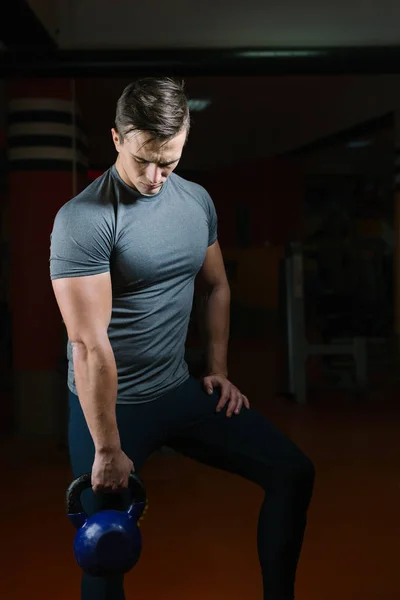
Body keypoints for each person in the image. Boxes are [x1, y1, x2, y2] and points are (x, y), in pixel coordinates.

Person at [50, 77, 315, 600]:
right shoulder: (82, 220)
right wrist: (107, 448)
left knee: (293, 473)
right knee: (105, 546)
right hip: (111, 405)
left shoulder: (195, 200)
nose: (154, 177)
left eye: (167, 162)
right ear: (117, 138)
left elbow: (215, 285)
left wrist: (215, 368)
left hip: (178, 390)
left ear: (185, 140)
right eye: (143, 159)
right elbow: (88, 343)